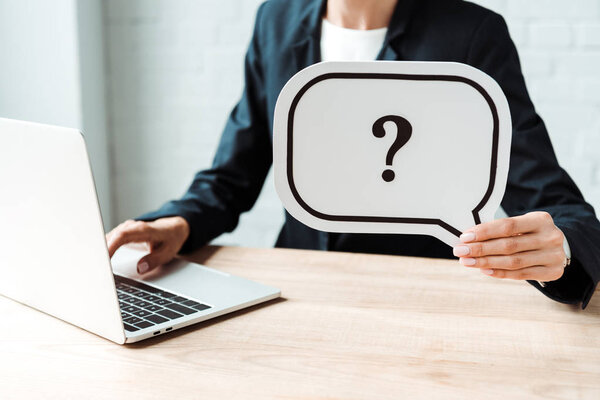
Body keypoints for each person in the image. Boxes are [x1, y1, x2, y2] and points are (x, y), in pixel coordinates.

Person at [106, 0, 600, 308]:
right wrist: (178, 222)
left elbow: (557, 204)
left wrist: (562, 248)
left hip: (422, 299)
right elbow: (232, 175)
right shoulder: (275, 19)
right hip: (296, 292)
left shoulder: (471, 34)